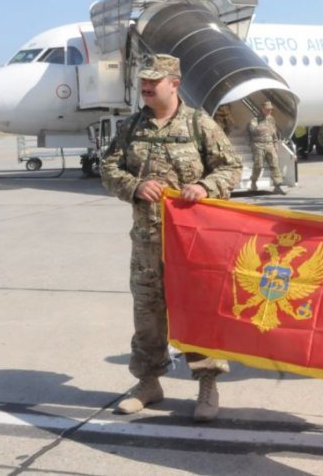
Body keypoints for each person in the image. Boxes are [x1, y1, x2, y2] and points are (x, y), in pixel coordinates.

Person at [100, 54, 242, 421]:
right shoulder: (131, 127)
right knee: (147, 315)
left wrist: (205, 186)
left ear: (174, 83)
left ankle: (207, 385)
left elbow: (231, 168)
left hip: (192, 245)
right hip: (147, 243)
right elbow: (109, 168)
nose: (146, 87)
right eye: (143, 81)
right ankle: (148, 383)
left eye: (154, 81)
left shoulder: (199, 124)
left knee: (197, 313)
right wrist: (134, 185)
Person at [248, 100, 286, 194]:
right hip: (258, 145)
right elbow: (254, 130)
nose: (269, 111)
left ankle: (277, 185)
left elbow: (274, 132)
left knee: (274, 164)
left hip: (270, 144)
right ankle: (253, 182)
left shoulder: (271, 119)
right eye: (267, 109)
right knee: (258, 165)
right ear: (262, 109)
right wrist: (263, 126)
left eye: (270, 109)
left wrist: (276, 143)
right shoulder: (255, 120)